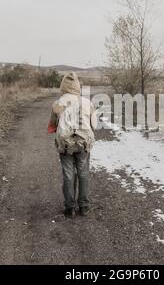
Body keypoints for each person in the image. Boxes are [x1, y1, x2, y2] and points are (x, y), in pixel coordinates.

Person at [48, 72, 97, 218]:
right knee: (83, 173)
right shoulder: (87, 103)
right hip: (83, 144)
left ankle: (70, 208)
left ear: (63, 86)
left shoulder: (57, 104)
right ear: (78, 87)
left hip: (65, 145)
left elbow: (51, 126)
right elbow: (94, 125)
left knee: (68, 174)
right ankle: (84, 206)